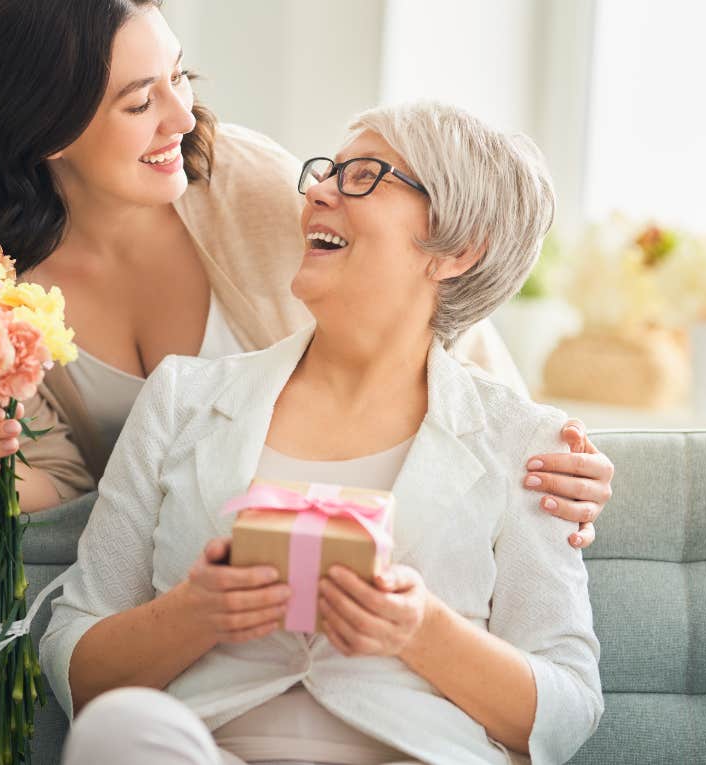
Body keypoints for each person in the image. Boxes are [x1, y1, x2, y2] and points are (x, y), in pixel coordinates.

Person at [0, 0, 614, 549]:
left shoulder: (244, 183)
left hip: (339, 533)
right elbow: (62, 483)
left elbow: (430, 317)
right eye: (139, 101)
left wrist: (541, 458)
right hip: (180, 563)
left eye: (178, 75)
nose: (182, 116)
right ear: (46, 130)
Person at [41, 100, 602, 765]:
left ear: (459, 249)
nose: (318, 192)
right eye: (325, 172)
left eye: (364, 175)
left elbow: (568, 708)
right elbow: (73, 656)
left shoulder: (528, 442)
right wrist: (197, 611)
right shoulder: (182, 399)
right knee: (120, 732)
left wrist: (422, 630)